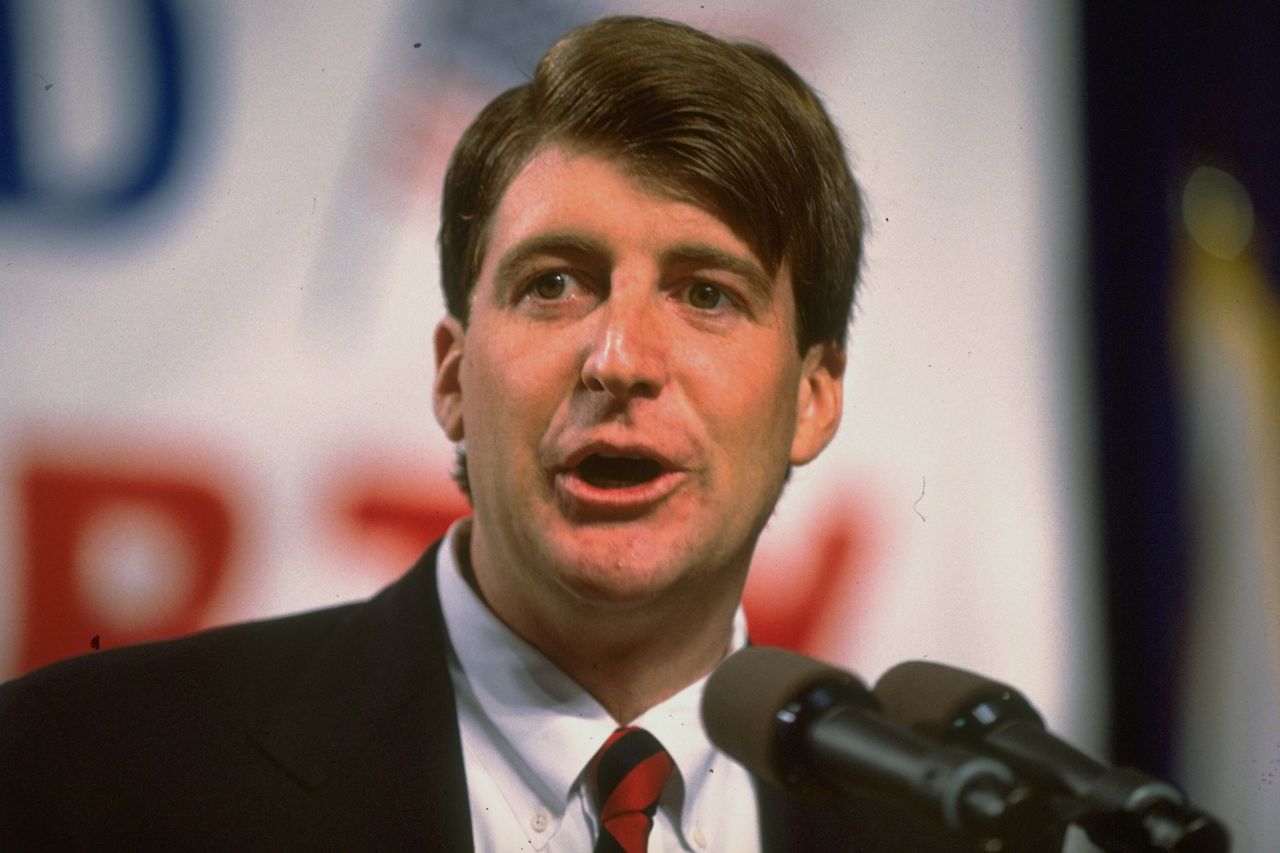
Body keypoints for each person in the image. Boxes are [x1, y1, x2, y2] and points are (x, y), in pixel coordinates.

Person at [0, 16, 975, 852]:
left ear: (812, 397)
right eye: (554, 282)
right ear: (452, 375)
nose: (619, 358)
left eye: (705, 293)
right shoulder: (94, 770)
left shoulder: (939, 829)